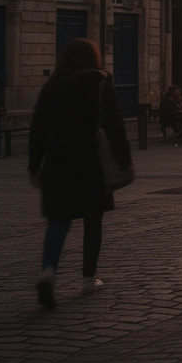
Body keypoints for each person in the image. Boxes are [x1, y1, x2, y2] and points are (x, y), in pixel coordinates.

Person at [28, 39, 129, 307]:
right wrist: (124, 160)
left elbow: (38, 128)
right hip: (91, 162)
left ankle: (49, 272)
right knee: (93, 220)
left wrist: (34, 164)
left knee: (58, 220)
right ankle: (88, 279)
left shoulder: (52, 85)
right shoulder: (101, 83)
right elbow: (115, 125)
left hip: (58, 161)